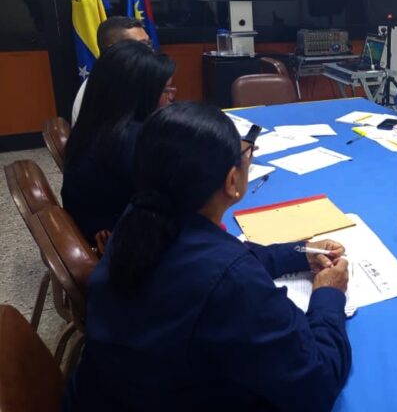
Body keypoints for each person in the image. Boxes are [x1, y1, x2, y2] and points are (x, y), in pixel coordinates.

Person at [64, 102, 352, 412]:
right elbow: (317, 383)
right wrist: (328, 294)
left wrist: (298, 254)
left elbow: (225, 256)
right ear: (231, 182)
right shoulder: (232, 281)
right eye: (245, 156)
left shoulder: (139, 217)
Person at [62, 40, 176, 245]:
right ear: (140, 94)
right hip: (122, 243)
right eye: (166, 90)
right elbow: (179, 195)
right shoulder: (130, 141)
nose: (172, 98)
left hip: (101, 226)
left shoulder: (97, 121)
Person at [71, 15, 150, 124]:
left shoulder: (120, 76)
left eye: (148, 44)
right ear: (114, 49)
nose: (149, 51)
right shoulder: (107, 87)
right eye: (141, 45)